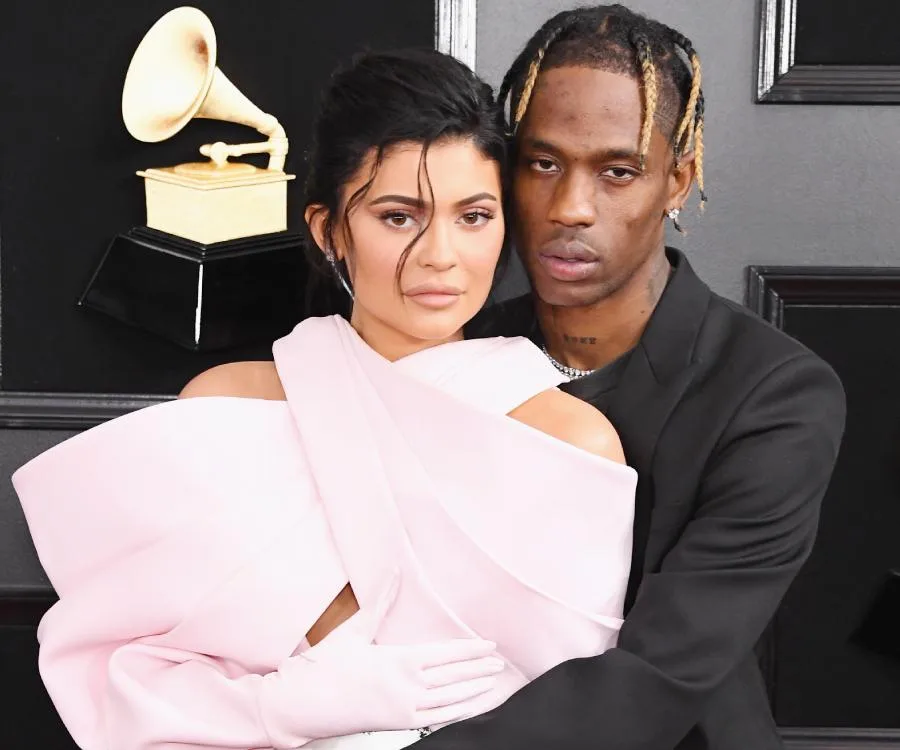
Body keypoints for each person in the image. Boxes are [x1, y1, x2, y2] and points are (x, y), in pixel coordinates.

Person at [12, 49, 637, 750]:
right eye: (399, 217)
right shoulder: (223, 410)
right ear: (329, 230)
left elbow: (576, 713)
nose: (440, 255)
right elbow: (133, 676)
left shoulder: (569, 442)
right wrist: (280, 708)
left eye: (474, 216)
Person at [411, 5, 847, 750]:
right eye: (543, 164)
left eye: (618, 172)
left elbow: (655, 678)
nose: (568, 208)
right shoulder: (454, 349)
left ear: (676, 182)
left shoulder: (777, 395)